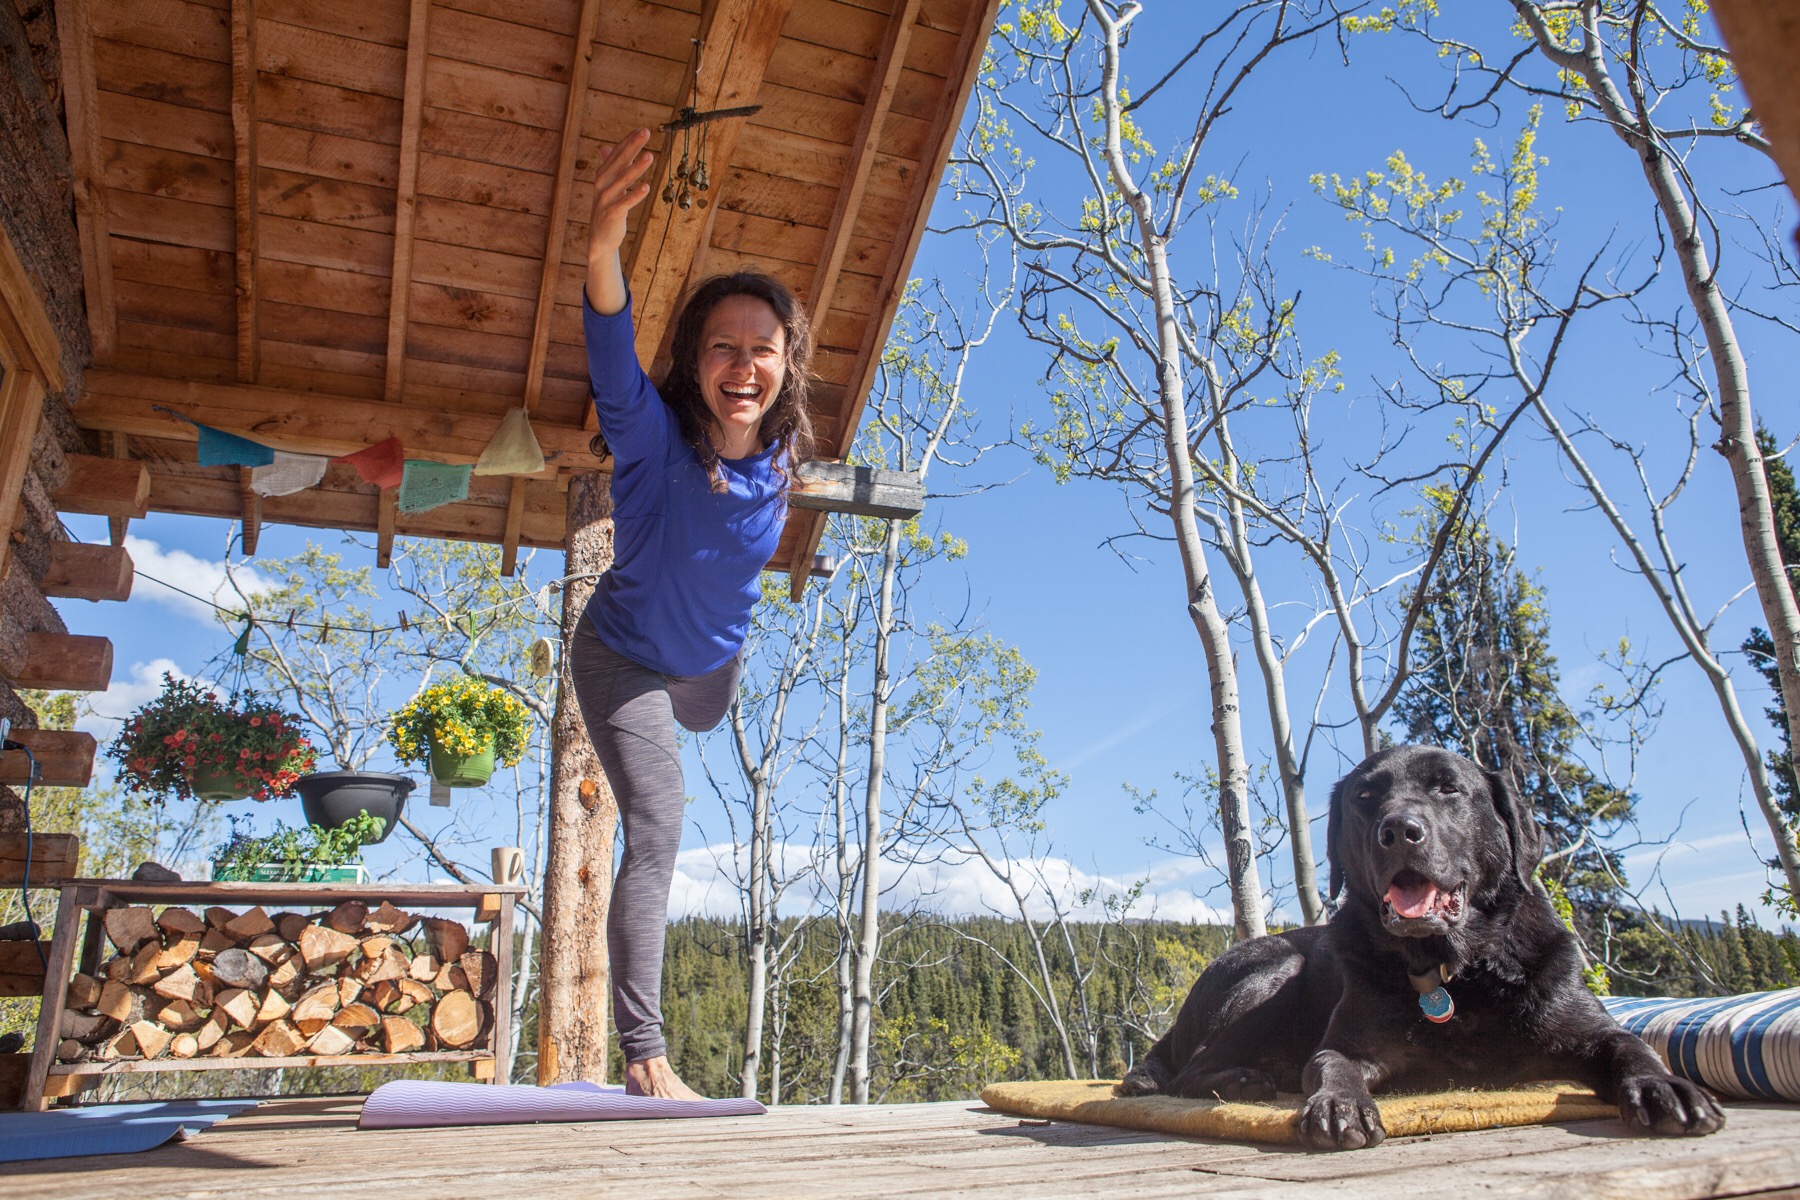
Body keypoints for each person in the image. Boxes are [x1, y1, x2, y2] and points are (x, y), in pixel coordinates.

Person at [571, 127, 815, 1100]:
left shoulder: (786, 453)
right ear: (695, 360)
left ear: (787, 362)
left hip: (708, 666)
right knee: (659, 828)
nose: (744, 366)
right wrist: (601, 249)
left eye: (763, 350)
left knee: (707, 705)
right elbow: (609, 352)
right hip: (625, 654)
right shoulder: (650, 442)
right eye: (724, 348)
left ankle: (702, 679)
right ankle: (644, 1056)